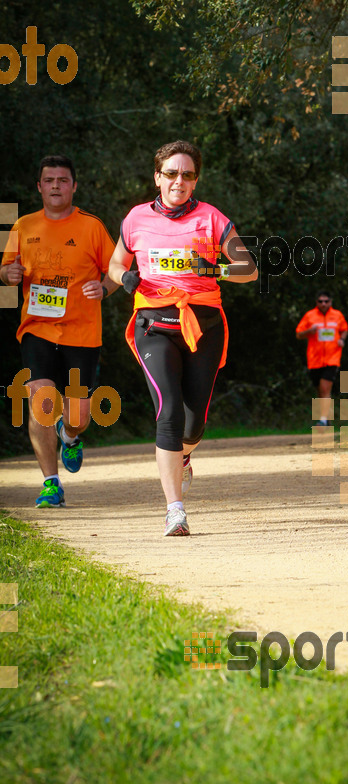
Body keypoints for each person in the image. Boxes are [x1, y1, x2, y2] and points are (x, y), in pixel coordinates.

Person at [108, 140, 257, 537]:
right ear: (157, 177)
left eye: (188, 174)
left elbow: (248, 269)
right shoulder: (136, 218)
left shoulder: (211, 219)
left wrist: (215, 272)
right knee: (169, 412)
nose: (179, 181)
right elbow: (115, 262)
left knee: (193, 426)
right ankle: (175, 510)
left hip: (203, 326)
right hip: (153, 325)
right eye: (171, 173)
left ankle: (184, 455)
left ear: (196, 180)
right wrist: (125, 278)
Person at [0, 155, 117, 508]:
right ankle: (51, 484)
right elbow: (5, 271)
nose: (55, 186)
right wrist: (10, 276)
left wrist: (104, 288)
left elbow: (117, 270)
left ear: (74, 186)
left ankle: (70, 435)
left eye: (62, 180)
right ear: (39, 187)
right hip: (36, 329)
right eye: (48, 180)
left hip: (82, 333)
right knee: (42, 403)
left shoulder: (91, 227)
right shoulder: (21, 225)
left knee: (79, 415)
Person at [296, 291, 348, 425]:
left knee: (325, 388)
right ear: (316, 302)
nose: (323, 304)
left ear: (330, 302)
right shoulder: (310, 316)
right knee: (320, 390)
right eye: (320, 301)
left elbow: (344, 329)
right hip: (314, 359)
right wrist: (309, 332)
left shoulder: (337, 315)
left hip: (332, 358)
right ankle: (326, 417)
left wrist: (342, 339)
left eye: (326, 301)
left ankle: (323, 420)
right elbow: (298, 334)